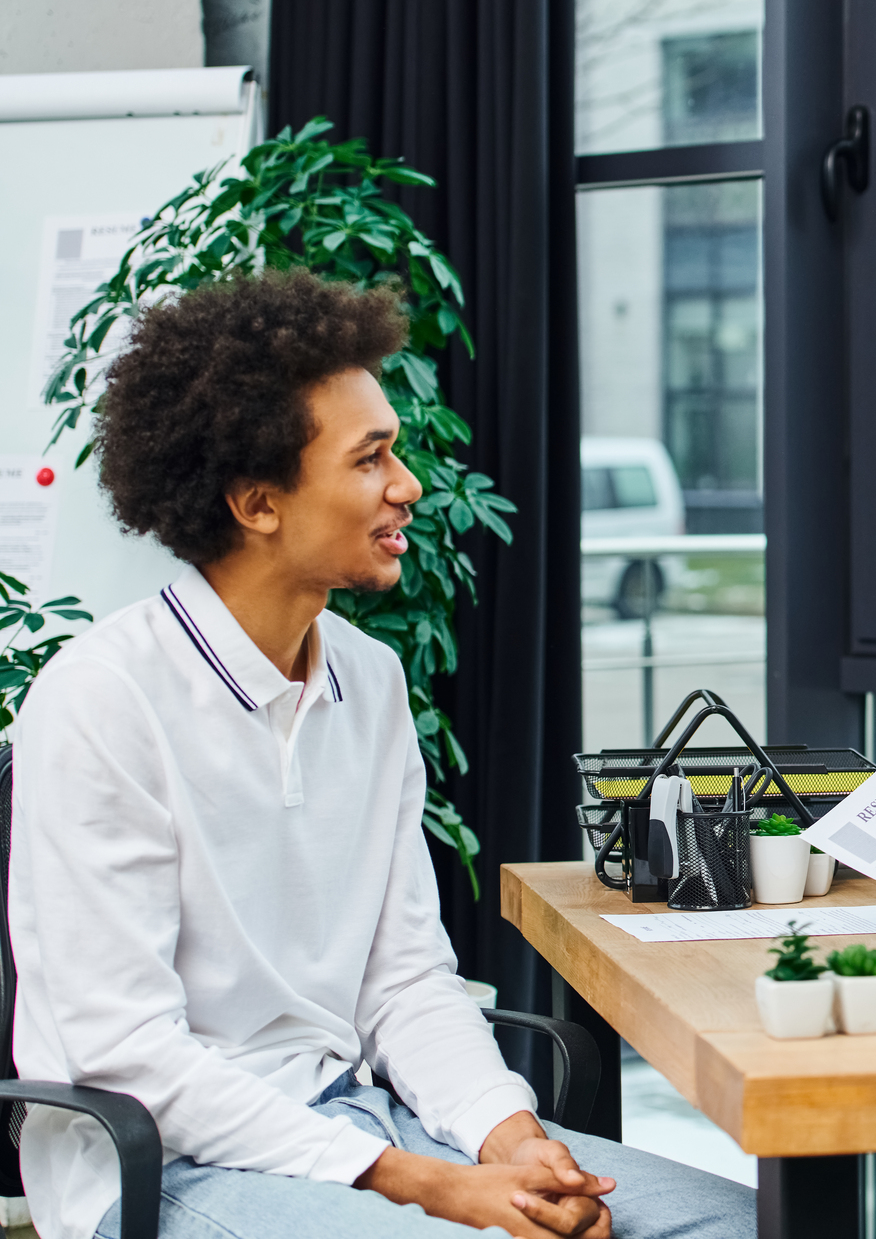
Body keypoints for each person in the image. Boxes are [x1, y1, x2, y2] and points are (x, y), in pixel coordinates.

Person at [11, 270, 755, 1239]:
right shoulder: (102, 697)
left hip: (358, 1116)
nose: (408, 485)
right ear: (258, 502)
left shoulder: (369, 679)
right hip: (164, 1164)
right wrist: (423, 1185)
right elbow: (131, 1057)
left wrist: (513, 1143)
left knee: (736, 1224)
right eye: (370, 459)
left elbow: (404, 979)